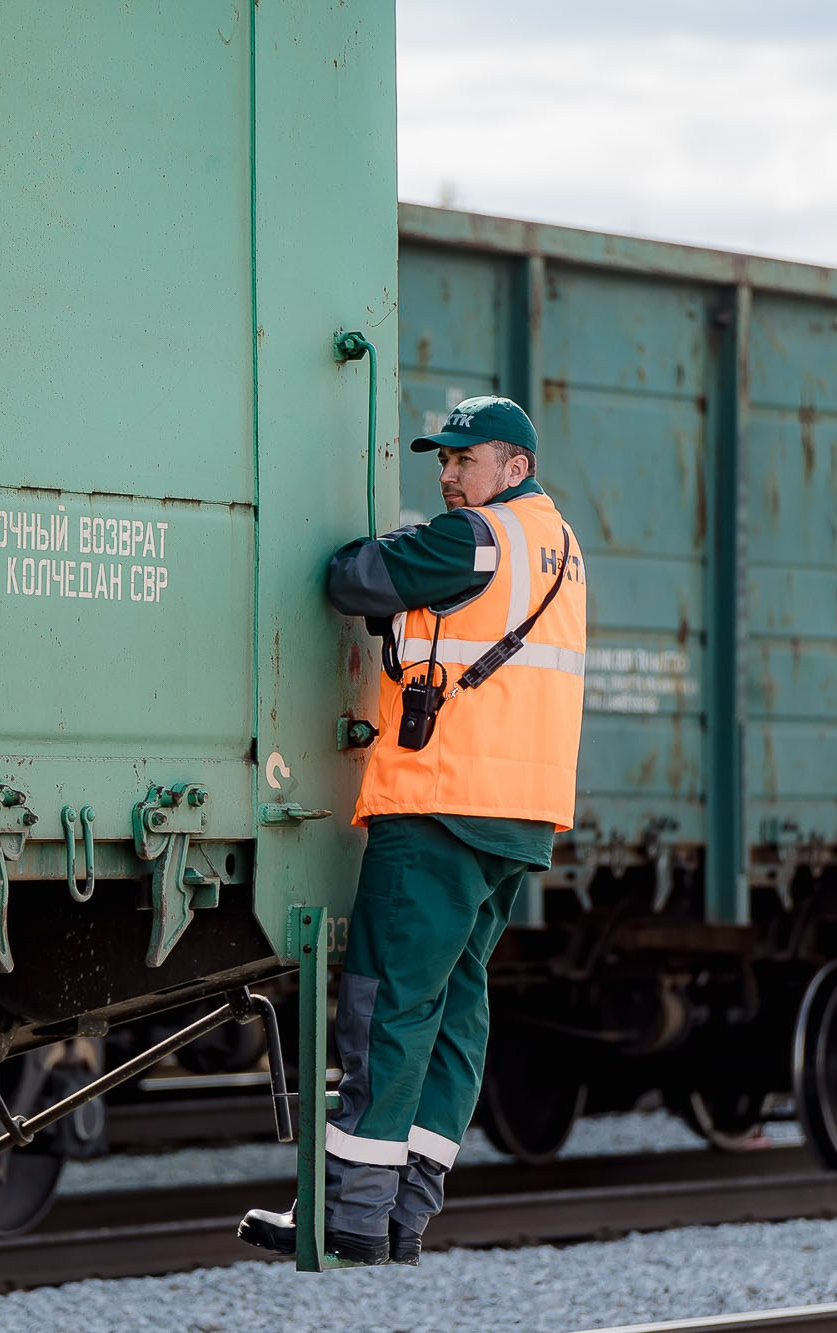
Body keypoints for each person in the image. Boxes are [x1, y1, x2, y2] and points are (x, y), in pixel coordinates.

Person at [239, 395, 587, 1266]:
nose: (446, 476)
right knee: (456, 1004)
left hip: (439, 805)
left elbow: (349, 576)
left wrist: (381, 551)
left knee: (387, 999)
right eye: (443, 460)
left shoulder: (474, 539)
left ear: (513, 467)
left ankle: (348, 1211)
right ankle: (407, 1208)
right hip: (519, 815)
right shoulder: (560, 546)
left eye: (463, 461)